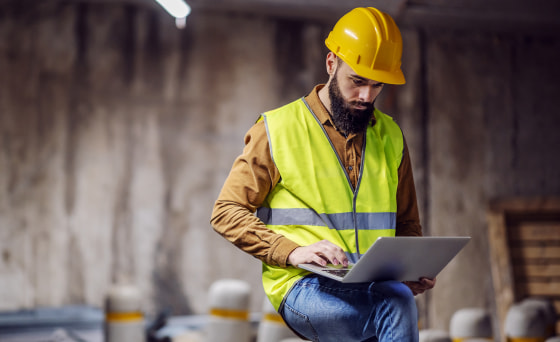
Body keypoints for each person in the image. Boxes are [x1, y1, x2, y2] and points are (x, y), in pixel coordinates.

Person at [211, 7, 435, 342]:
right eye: (357, 81)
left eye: (377, 86)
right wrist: (292, 251)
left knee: (394, 298)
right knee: (395, 303)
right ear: (331, 64)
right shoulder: (276, 129)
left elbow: (407, 223)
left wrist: (411, 268)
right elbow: (226, 212)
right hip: (303, 285)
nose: (366, 96)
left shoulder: (390, 137)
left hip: (374, 286)